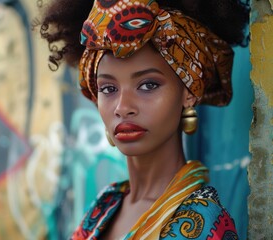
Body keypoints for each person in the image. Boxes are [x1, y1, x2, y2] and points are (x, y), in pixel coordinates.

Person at [39, 0, 249, 239]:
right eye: (108, 88)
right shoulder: (105, 204)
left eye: (148, 85)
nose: (122, 107)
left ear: (189, 92)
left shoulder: (203, 222)